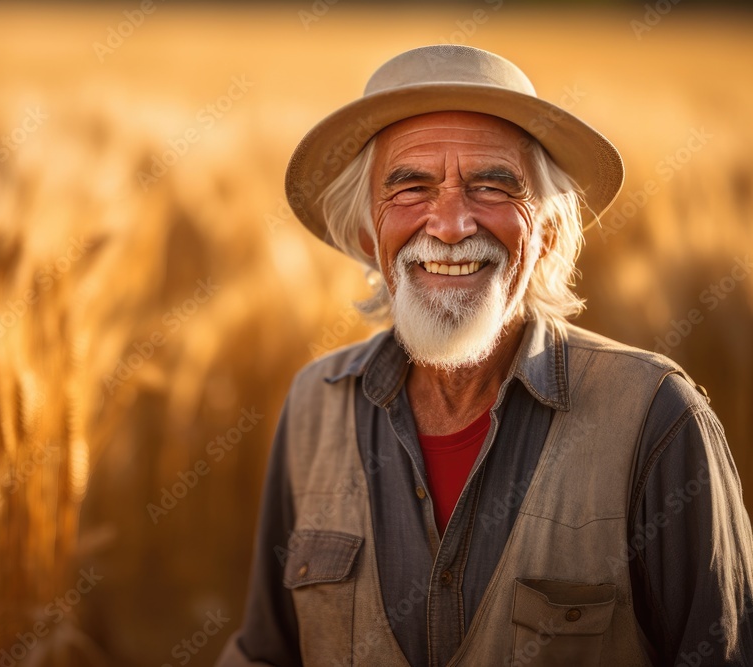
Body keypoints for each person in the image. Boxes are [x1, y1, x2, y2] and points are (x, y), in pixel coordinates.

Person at [215, 45, 753, 666]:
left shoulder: (655, 419)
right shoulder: (315, 404)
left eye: (491, 187)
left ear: (547, 232)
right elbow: (267, 654)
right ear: (369, 232)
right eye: (411, 188)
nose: (449, 224)